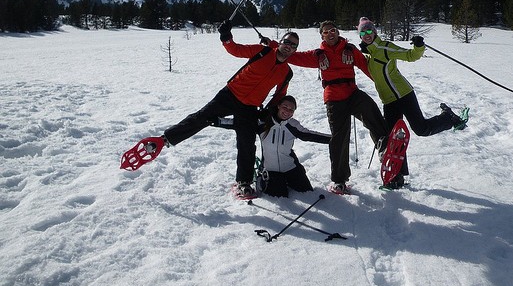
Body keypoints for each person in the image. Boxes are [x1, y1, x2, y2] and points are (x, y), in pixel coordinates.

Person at [160, 21, 300, 199]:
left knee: (247, 143)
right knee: (201, 117)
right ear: (280, 42)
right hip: (230, 94)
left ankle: (244, 183)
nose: (289, 46)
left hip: (250, 107)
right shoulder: (262, 51)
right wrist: (226, 36)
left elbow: (280, 94)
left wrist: (269, 111)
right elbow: (236, 49)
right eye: (287, 42)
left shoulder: (286, 72)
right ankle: (167, 139)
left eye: (293, 45)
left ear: (295, 50)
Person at [357, 17, 469, 189]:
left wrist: (418, 46)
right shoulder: (369, 54)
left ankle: (448, 118)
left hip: (404, 95)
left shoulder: (385, 47)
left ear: (374, 31)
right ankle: (397, 177)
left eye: (369, 30)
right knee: (395, 139)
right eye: (363, 32)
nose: (366, 34)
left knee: (421, 129)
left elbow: (410, 56)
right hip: (388, 101)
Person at [288, 20, 389, 194]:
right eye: (326, 32)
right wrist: (273, 45)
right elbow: (292, 56)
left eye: (332, 30)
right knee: (339, 137)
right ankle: (339, 180)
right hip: (334, 98)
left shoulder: (349, 49)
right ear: (322, 36)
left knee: (371, 109)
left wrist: (387, 85)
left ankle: (384, 146)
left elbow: (368, 69)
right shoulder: (318, 54)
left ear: (337, 31)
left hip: (352, 93)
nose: (330, 33)